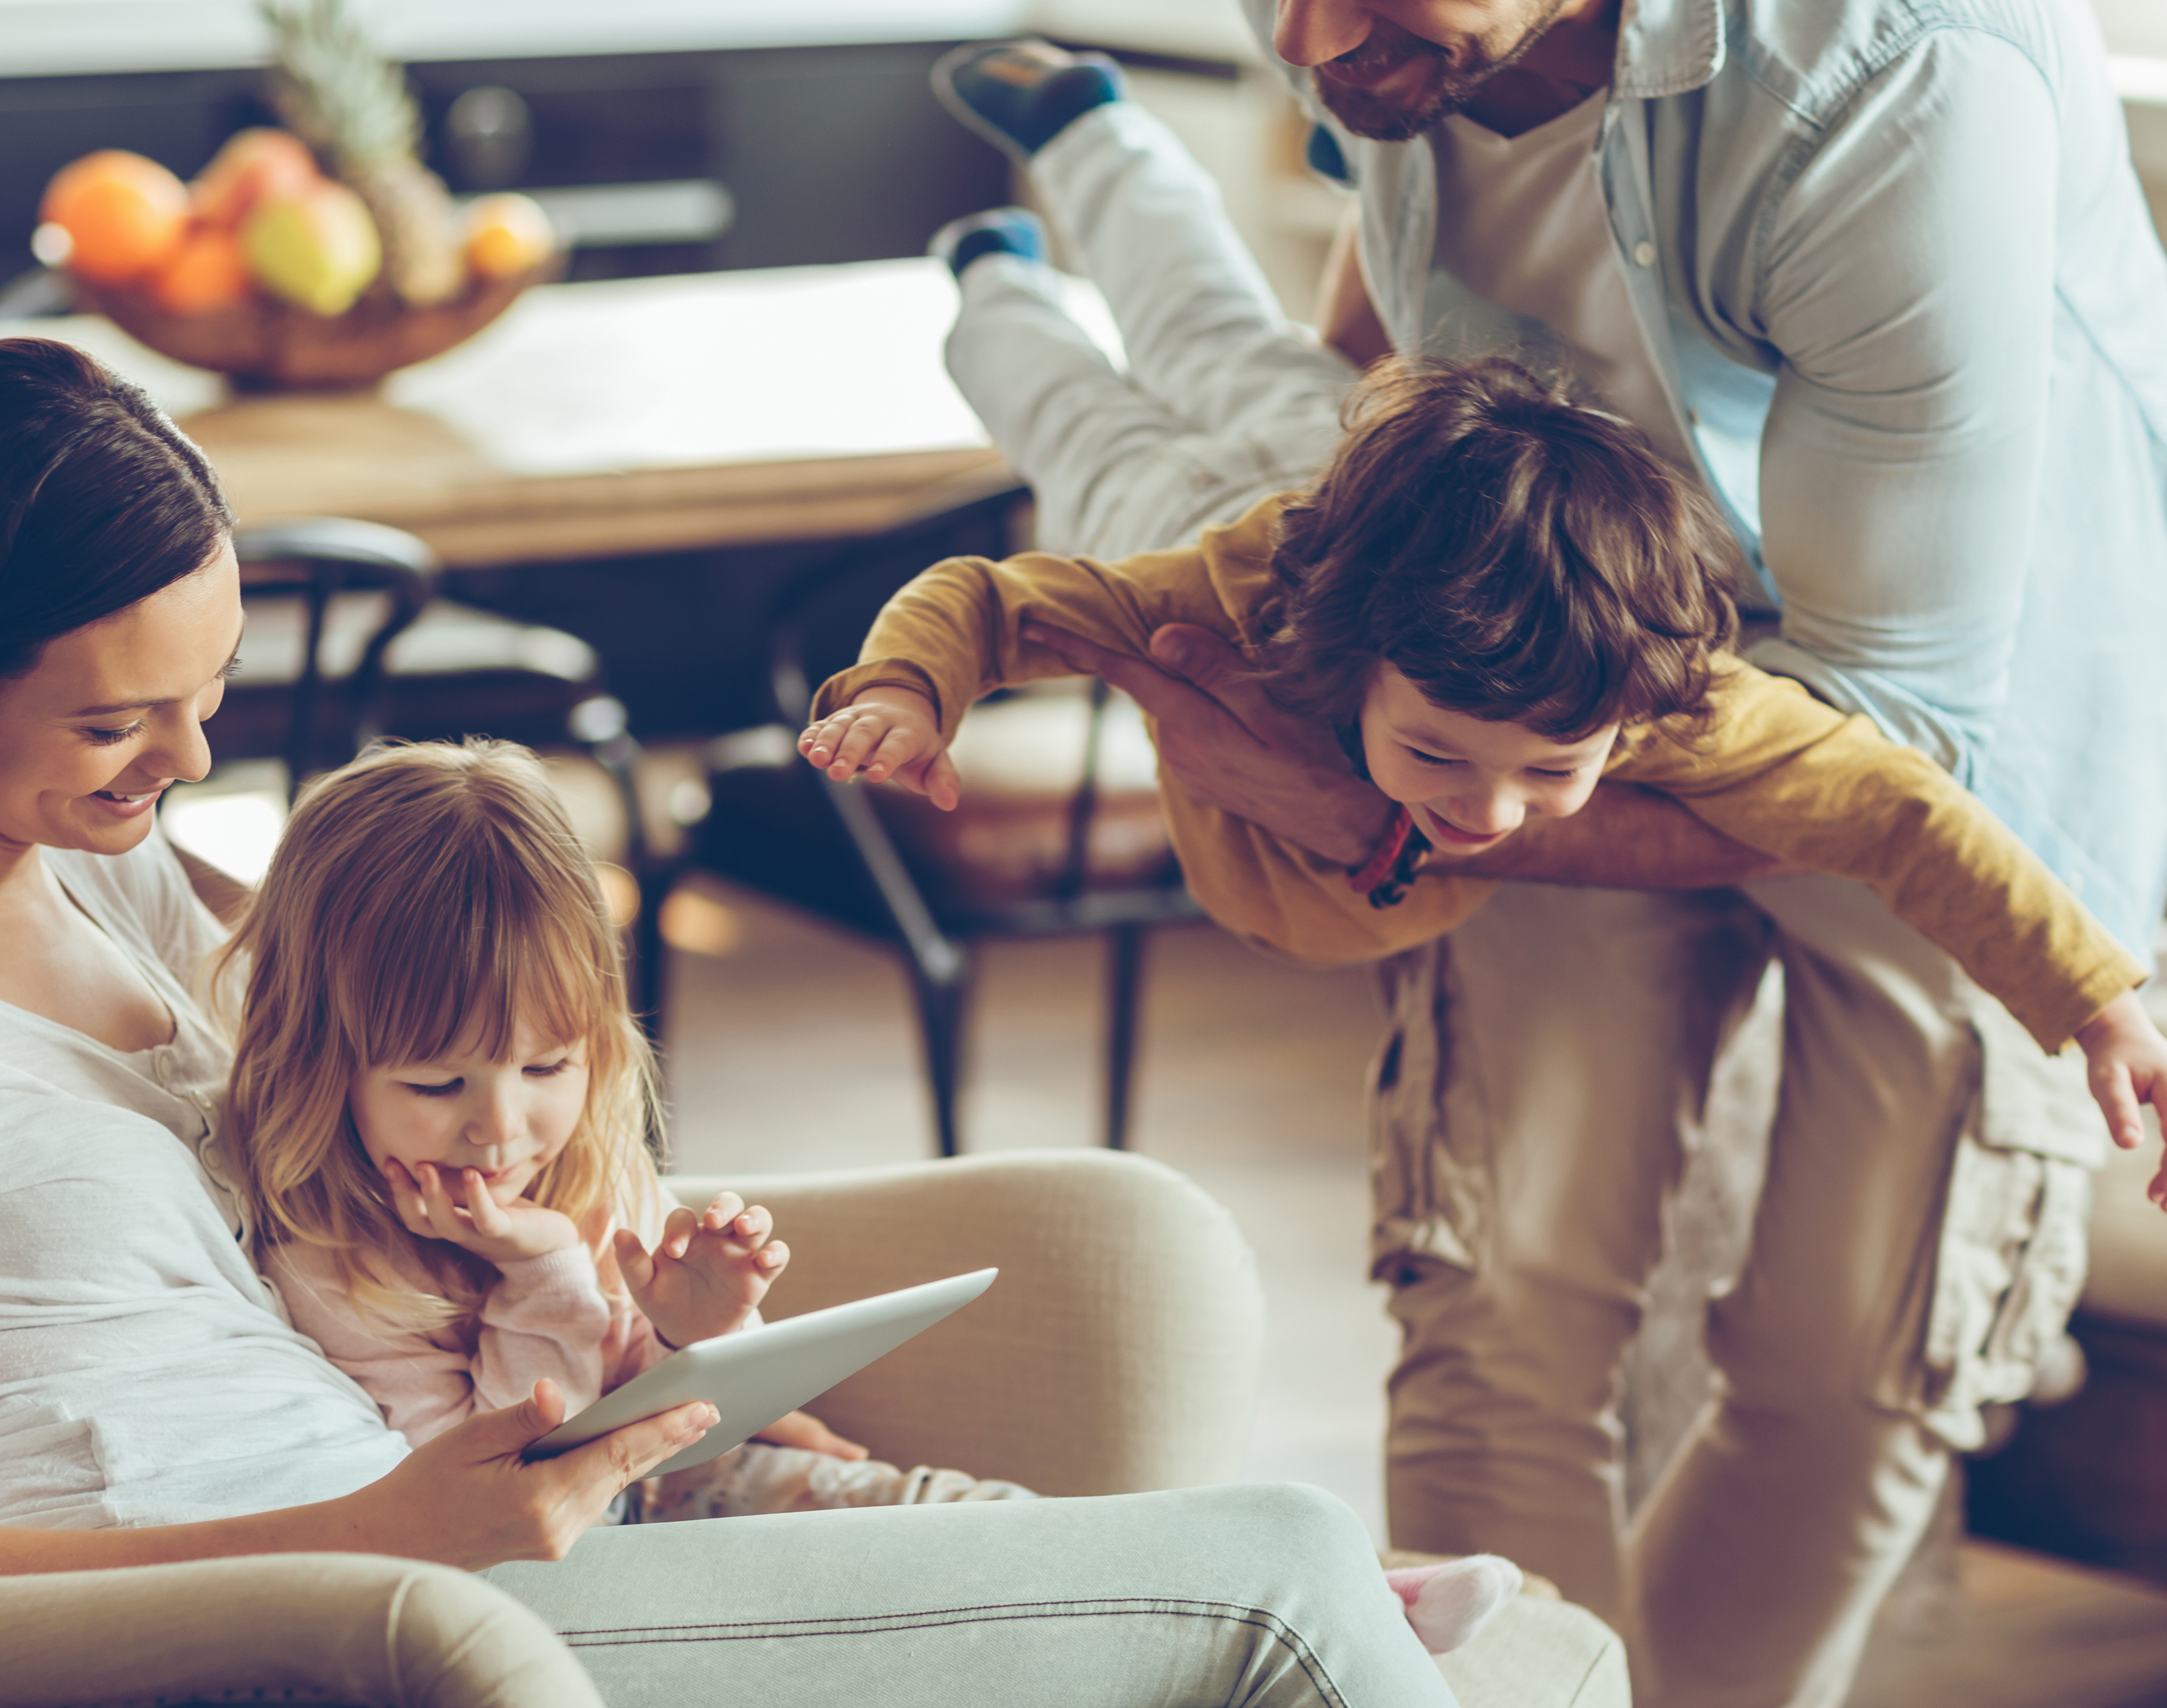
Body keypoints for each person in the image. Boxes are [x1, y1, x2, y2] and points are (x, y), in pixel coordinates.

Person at [0, 333, 1467, 1706]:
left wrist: (643, 1328)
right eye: (116, 725)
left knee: (1277, 1573)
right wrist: (382, 1541)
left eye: (208, 696)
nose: (184, 764)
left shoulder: (120, 881)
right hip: (298, 1635)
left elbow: (469, 1046)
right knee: (1289, 1579)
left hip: (473, 1556)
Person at [920, 14, 2167, 1705]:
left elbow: (1897, 741)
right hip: (1516, 646)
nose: (1300, 36)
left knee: (1858, 1352)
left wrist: (1382, 817)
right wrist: (1330, 564)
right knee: (1498, 1298)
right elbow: (1403, 293)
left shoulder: (1901, 77)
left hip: (1931, 719)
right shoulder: (1368, 40)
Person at [217, 733, 1528, 1653]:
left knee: (961, 1513)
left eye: (547, 1064)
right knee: (941, 1543)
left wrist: (695, 1325)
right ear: (324, 1058)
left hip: (692, 1483)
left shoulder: (557, 1156)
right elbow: (528, 1472)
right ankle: (1322, 1585)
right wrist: (547, 1264)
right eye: (439, 1080)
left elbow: (649, 1386)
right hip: (622, 1557)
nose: (503, 1123)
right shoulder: (339, 1259)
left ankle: (1345, 1582)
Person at [799, 354, 2167, 1146]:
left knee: (1248, 366)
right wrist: (913, 693)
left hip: (1336, 518)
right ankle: (1005, 269)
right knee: (1109, 407)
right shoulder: (1234, 599)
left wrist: (2097, 1000)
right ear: (1355, 662)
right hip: (1212, 553)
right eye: (1438, 755)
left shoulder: (1671, 692)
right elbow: (988, 594)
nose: (1494, 814)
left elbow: (1902, 812)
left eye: (1549, 771)